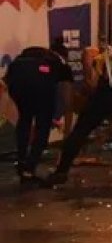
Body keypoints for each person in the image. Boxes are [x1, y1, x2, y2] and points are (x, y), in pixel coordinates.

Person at [43, 46, 112, 189]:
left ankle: (61, 172)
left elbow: (92, 82)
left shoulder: (98, 57)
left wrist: (87, 95)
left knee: (82, 128)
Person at [5, 45, 72, 185]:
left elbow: (8, 81)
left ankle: (22, 160)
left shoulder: (25, 56)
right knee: (43, 126)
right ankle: (30, 167)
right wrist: (60, 121)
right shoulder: (61, 63)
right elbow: (67, 98)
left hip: (17, 79)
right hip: (40, 84)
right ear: (64, 55)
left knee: (24, 118)